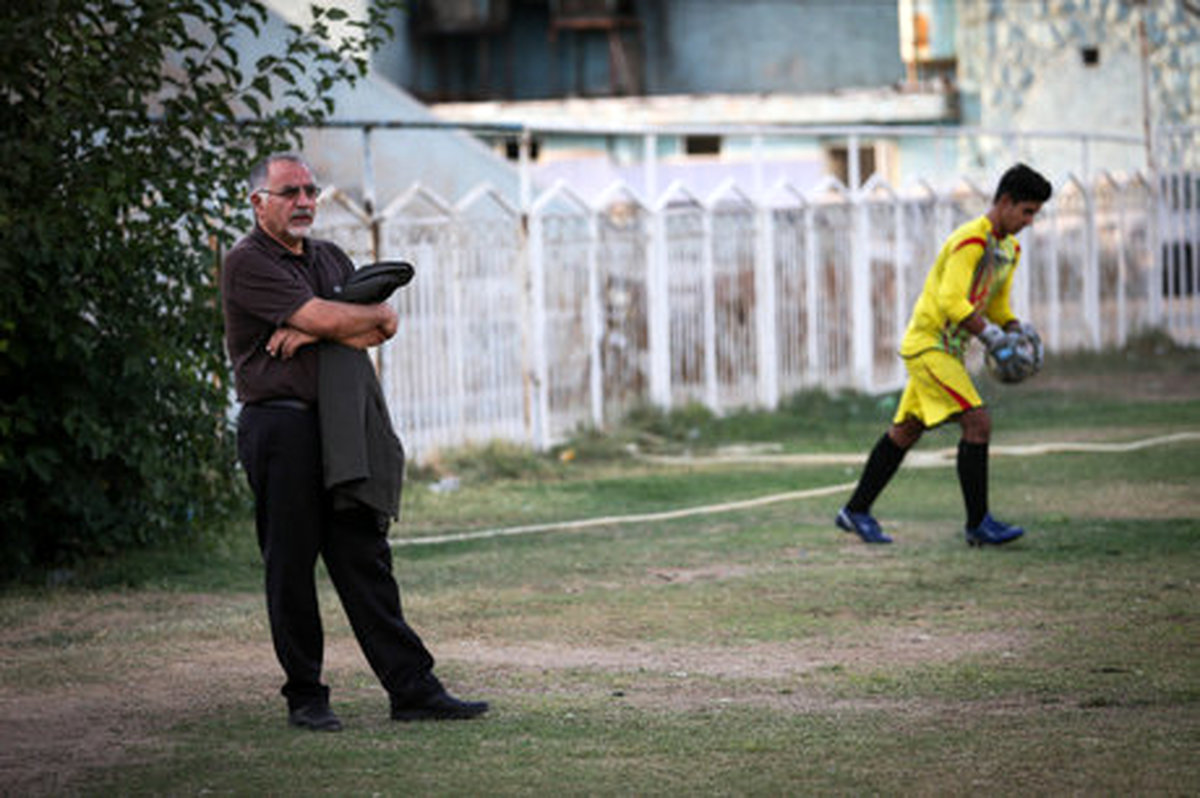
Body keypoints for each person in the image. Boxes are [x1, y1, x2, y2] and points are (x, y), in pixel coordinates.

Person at [221, 152, 488, 730]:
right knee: (290, 564)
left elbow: (385, 321)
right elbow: (338, 319)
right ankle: (306, 698)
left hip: (339, 428)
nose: (304, 202)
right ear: (258, 202)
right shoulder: (247, 262)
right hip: (281, 426)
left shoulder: (328, 256)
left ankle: (413, 691)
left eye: (311, 192)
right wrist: (321, 320)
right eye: (289, 192)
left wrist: (311, 325)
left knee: (364, 557)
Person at [835, 163, 1053, 546]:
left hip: (948, 352)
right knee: (977, 422)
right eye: (1027, 211)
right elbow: (952, 301)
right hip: (928, 345)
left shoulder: (1008, 249)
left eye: (1035, 213)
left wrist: (1016, 329)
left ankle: (855, 511)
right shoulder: (970, 241)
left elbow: (996, 304)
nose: (1030, 221)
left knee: (905, 432)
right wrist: (989, 337)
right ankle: (978, 525)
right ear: (1004, 202)